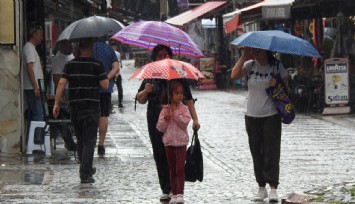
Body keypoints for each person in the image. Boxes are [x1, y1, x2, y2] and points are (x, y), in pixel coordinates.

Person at [136, 44, 200, 202]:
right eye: (160, 55)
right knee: (159, 153)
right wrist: (146, 90)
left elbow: (188, 99)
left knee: (174, 155)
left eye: (166, 55)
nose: (164, 58)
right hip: (156, 122)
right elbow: (140, 99)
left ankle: (175, 188)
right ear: (154, 58)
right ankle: (166, 188)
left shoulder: (178, 76)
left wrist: (195, 119)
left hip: (175, 124)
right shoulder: (151, 77)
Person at [230, 47, 288, 203]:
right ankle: (261, 187)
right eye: (254, 52)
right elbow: (234, 75)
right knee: (257, 152)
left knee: (272, 151)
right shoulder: (250, 65)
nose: (256, 54)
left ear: (267, 52)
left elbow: (287, 88)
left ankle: (273, 188)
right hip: (252, 116)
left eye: (259, 52)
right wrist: (243, 56)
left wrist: (277, 84)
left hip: (271, 115)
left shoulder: (276, 66)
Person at [52, 38, 109, 183]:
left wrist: (56, 103)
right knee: (89, 140)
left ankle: (87, 168)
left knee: (81, 138)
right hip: (91, 107)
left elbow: (61, 83)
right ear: (90, 47)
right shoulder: (97, 64)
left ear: (78, 48)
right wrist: (104, 74)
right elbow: (104, 85)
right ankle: (85, 174)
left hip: (75, 107)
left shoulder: (70, 65)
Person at [156, 80, 191, 204]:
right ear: (170, 95)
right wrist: (165, 119)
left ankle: (180, 193)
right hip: (169, 143)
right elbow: (160, 127)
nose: (180, 95)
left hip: (181, 143)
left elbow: (185, 123)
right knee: (171, 169)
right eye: (177, 93)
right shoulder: (165, 109)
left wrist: (175, 114)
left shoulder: (185, 108)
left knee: (180, 169)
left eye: (181, 93)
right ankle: (174, 193)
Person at [92, 41, 120, 155]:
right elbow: (116, 68)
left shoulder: (89, 48)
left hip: (90, 87)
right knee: (103, 115)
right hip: (105, 89)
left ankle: (90, 141)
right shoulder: (109, 50)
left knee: (91, 114)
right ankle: (101, 144)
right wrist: (106, 78)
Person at [51, 40, 76, 151]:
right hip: (64, 90)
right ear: (62, 45)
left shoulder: (70, 56)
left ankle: (70, 140)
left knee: (71, 115)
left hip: (71, 89)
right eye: (68, 44)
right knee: (65, 117)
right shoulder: (57, 59)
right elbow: (56, 78)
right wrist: (59, 95)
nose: (70, 46)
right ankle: (68, 141)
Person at [23, 25, 44, 144]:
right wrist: (35, 86)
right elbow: (29, 68)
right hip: (32, 87)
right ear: (34, 35)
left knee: (34, 114)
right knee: (38, 114)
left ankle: (33, 140)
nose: (41, 38)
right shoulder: (29, 48)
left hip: (34, 86)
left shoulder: (31, 48)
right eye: (40, 35)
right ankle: (36, 140)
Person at [112, 44, 124, 108]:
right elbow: (118, 64)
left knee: (110, 88)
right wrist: (117, 73)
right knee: (120, 88)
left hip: (110, 73)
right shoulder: (117, 53)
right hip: (116, 73)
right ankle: (120, 102)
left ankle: (109, 103)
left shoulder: (110, 53)